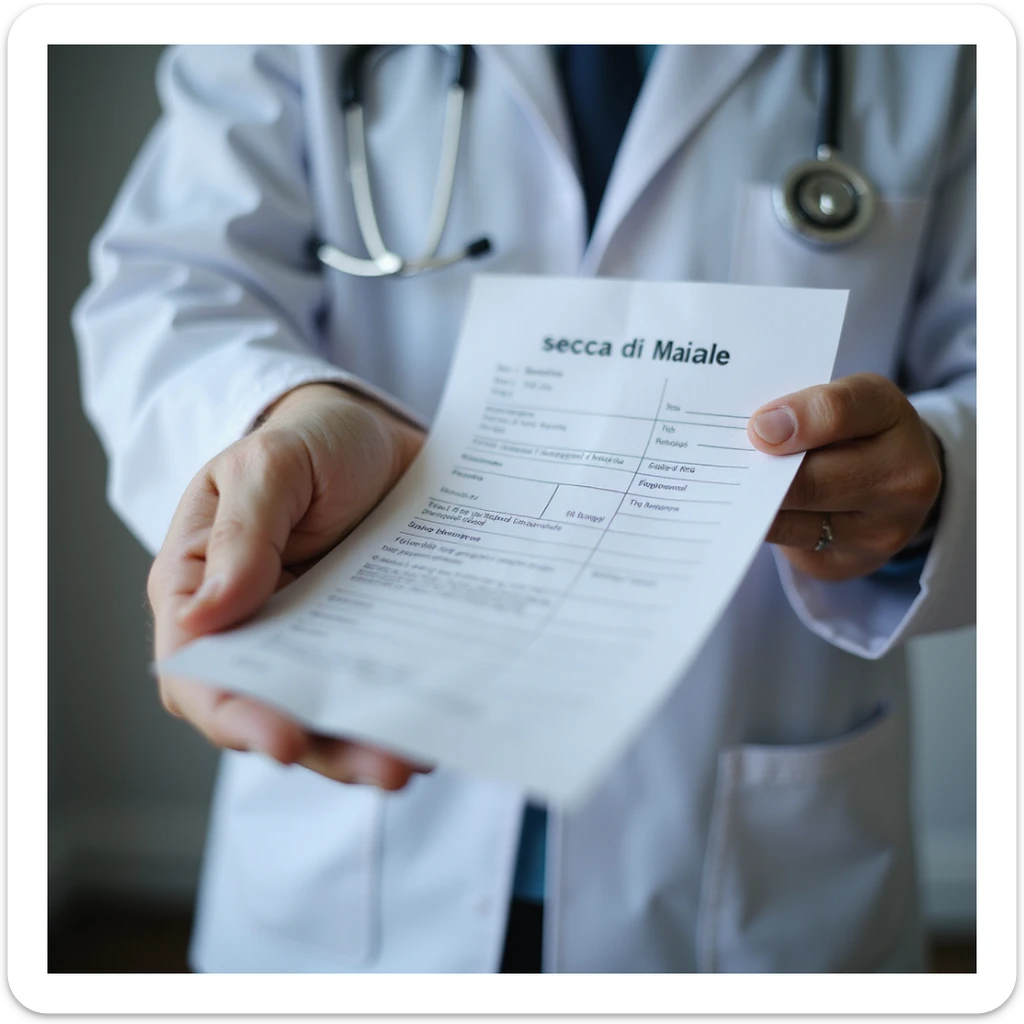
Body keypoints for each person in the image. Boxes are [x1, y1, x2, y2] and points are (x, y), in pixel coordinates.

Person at [72, 44, 976, 973]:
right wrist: (285, 418)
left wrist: (936, 475)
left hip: (743, 847)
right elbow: (168, 289)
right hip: (355, 838)